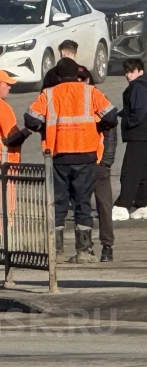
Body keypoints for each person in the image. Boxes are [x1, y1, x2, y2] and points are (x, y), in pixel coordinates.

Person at [24, 58, 118, 263]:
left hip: (58, 155)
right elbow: (111, 116)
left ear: (58, 74)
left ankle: (55, 251)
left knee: (58, 203)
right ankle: (83, 251)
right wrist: (97, 127)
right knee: (82, 203)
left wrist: (46, 128)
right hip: (85, 155)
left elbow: (30, 119)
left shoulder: (49, 94)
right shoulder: (89, 92)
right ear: (77, 73)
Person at [77, 69, 116, 262]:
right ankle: (86, 247)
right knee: (82, 206)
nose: (80, 83)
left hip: (98, 163)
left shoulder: (99, 99)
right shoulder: (72, 102)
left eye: (83, 80)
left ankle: (107, 246)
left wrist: (107, 160)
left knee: (103, 206)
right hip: (80, 163)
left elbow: (110, 131)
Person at [113, 58, 147, 222]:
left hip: (138, 134)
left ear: (140, 71)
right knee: (142, 172)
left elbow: (139, 110)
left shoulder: (138, 86)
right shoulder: (144, 84)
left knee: (130, 170)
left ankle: (122, 206)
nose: (128, 75)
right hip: (144, 135)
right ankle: (142, 204)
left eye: (131, 71)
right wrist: (122, 114)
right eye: (126, 71)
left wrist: (129, 122)